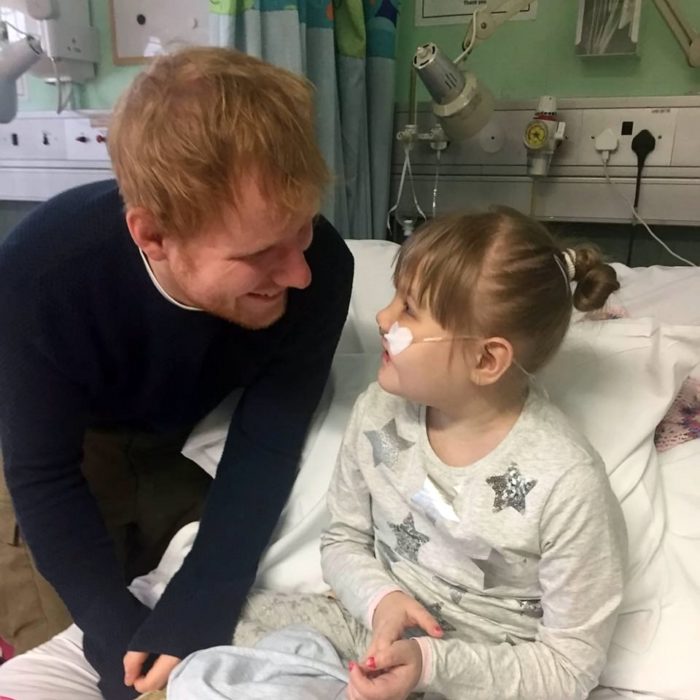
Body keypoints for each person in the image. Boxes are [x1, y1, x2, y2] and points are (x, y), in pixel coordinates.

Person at [151, 207, 628, 700]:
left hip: (481, 671)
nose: (383, 318)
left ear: (486, 358)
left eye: (410, 310)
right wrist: (381, 601)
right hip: (372, 631)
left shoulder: (567, 482)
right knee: (202, 651)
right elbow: (343, 539)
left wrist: (427, 664)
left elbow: (568, 667)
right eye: (394, 298)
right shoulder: (380, 411)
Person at [0, 46, 353, 699]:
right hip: (65, 456)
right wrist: (117, 639)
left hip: (181, 448)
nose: (298, 274)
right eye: (259, 254)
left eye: (302, 228)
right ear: (154, 236)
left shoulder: (323, 268)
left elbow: (267, 442)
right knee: (102, 659)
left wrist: (203, 605)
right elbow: (41, 475)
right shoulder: (39, 277)